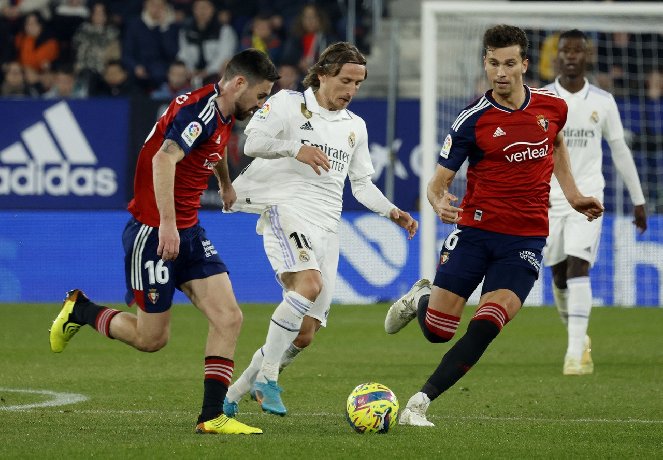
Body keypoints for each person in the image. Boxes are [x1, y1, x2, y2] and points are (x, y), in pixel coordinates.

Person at [49, 49, 280, 435]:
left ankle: (211, 417)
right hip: (154, 233)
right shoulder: (199, 111)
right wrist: (168, 226)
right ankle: (81, 311)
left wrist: (225, 184)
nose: (260, 105)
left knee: (229, 317)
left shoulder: (221, 113)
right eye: (260, 96)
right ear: (239, 83)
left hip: (188, 231)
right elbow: (162, 161)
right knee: (151, 339)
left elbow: (215, 147)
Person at [384, 24, 604, 427]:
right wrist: (438, 202)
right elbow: (437, 184)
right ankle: (421, 300)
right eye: (492, 63)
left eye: (509, 64)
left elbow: (555, 144)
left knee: (488, 323)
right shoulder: (471, 121)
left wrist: (572, 195)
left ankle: (419, 402)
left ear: (524, 64)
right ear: (485, 64)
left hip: (525, 239)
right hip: (475, 232)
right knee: (438, 331)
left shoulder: (553, 108)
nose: (500, 72)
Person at [222, 41, 418, 417]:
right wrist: (296, 148)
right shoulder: (286, 103)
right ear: (324, 73)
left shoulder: (354, 127)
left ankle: (231, 396)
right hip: (287, 209)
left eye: (358, 84)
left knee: (305, 333)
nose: (351, 91)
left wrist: (391, 211)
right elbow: (252, 143)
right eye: (346, 80)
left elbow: (360, 184)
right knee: (307, 284)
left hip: (328, 226)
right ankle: (266, 376)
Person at [543, 29, 647, 376]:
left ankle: (574, 355)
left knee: (578, 266)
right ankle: (579, 336)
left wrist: (638, 199)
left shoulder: (603, 101)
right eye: (565, 50)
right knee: (558, 275)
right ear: (557, 56)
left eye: (578, 50)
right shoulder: (542, 99)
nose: (571, 56)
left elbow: (620, 150)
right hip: (549, 200)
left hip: (588, 198)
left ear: (588, 57)